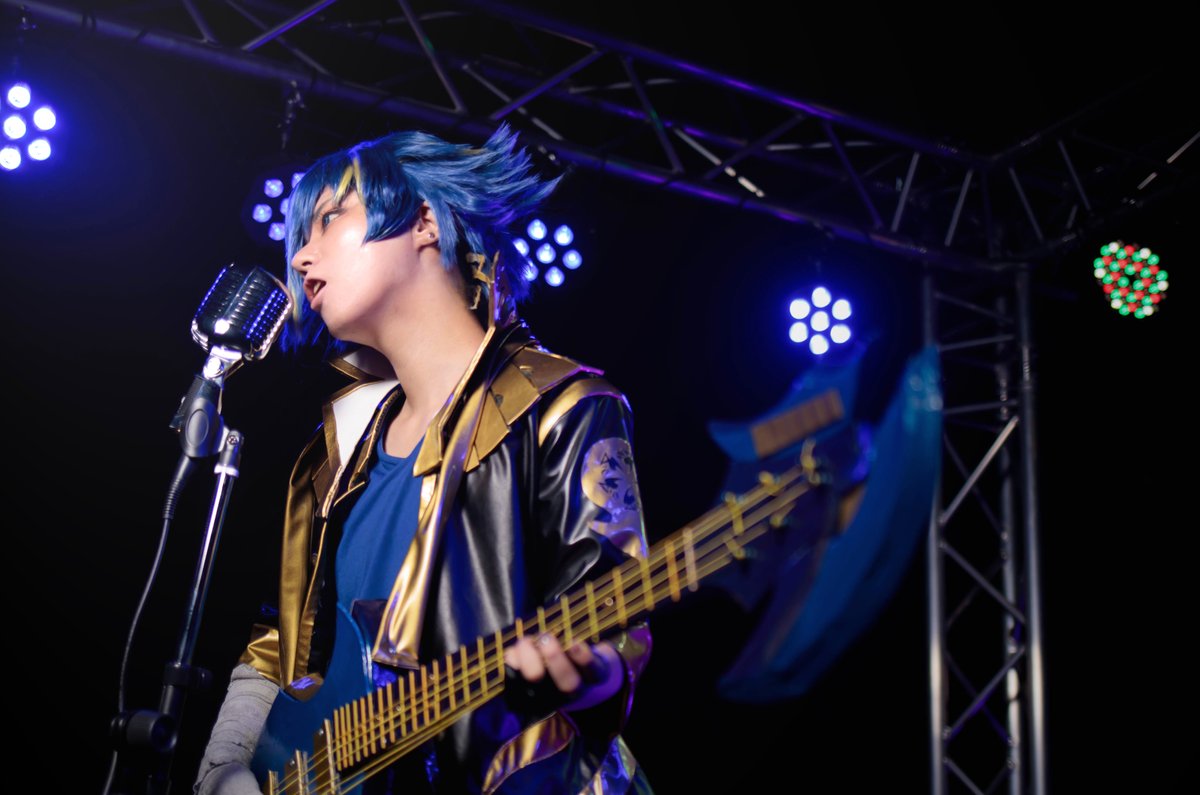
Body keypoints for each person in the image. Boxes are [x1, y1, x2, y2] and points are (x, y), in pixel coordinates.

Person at [193, 125, 654, 794]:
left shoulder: (561, 406)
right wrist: (225, 766)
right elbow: (281, 639)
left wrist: (591, 671)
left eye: (329, 219)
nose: (300, 256)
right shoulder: (340, 447)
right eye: (299, 237)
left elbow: (615, 618)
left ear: (424, 223)